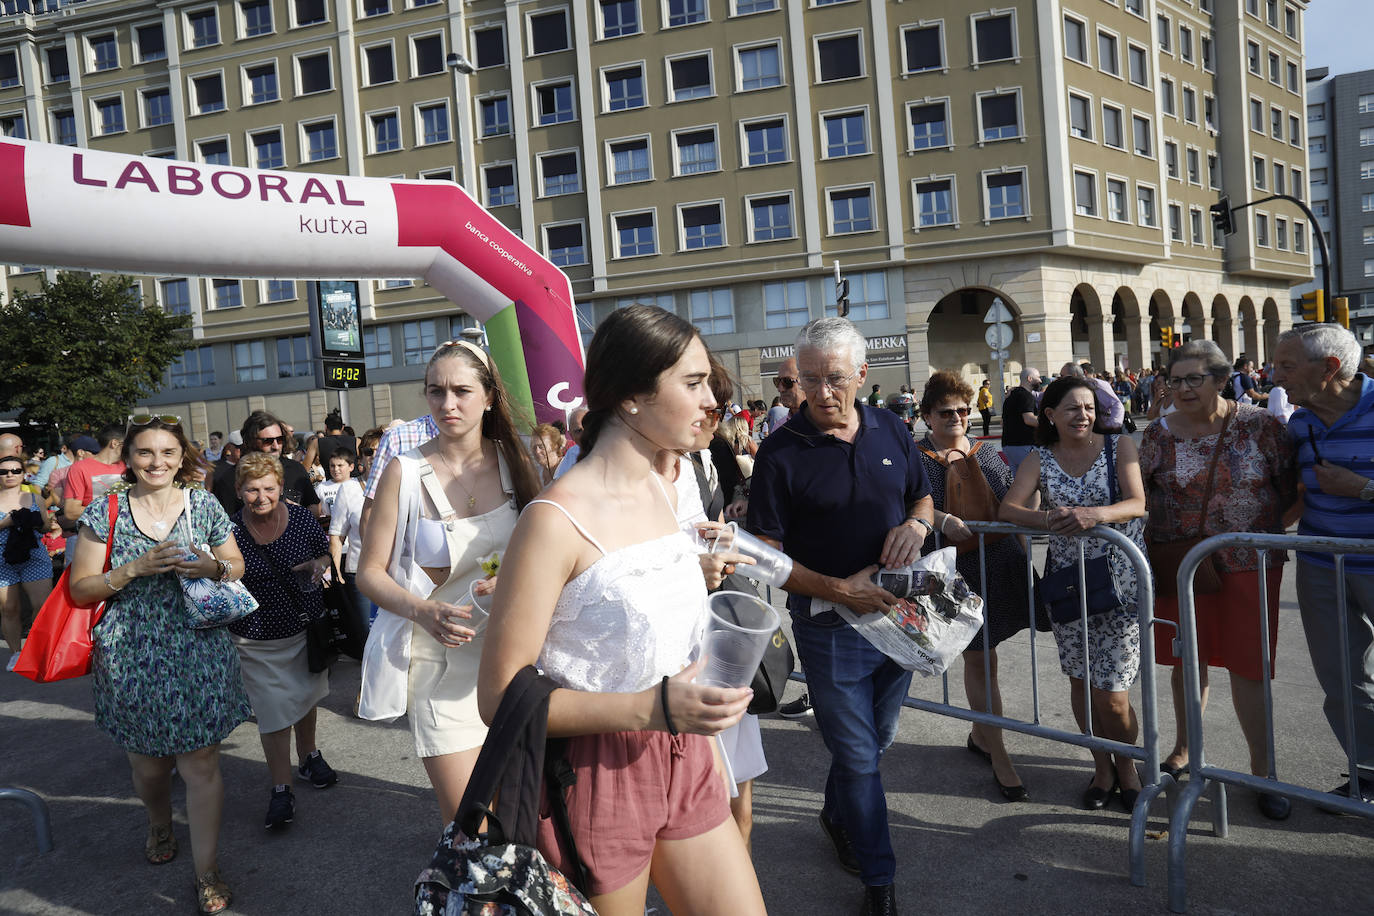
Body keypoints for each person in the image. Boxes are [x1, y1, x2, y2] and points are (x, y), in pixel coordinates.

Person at [479, 305, 765, 916]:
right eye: (692, 383)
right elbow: (498, 697)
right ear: (633, 398)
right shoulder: (555, 521)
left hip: (687, 752)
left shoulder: (670, 486)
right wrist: (653, 706)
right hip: (594, 770)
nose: (712, 398)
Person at [748, 316, 933, 916]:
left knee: (875, 742)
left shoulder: (892, 428)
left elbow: (921, 495)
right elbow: (768, 556)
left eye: (833, 379)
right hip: (828, 624)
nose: (821, 393)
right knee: (857, 755)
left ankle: (837, 813)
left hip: (897, 616)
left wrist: (918, 524)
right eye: (808, 379)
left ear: (862, 374)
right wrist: (836, 589)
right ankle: (880, 881)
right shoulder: (779, 452)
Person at [68, 416, 248, 915]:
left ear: (181, 456)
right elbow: (80, 589)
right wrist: (134, 569)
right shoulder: (105, 511)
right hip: (131, 652)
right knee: (149, 768)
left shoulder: (204, 502)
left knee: (201, 763)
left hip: (199, 647)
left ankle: (206, 871)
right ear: (128, 457)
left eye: (167, 452)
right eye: (146, 453)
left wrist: (211, 565)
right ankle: (158, 820)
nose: (157, 462)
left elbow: (236, 565)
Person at [357, 340, 540, 821]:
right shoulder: (405, 470)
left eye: (461, 390)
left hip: (513, 660)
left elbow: (548, 552)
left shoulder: (517, 463)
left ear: (490, 397)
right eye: (436, 391)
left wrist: (518, 582)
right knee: (470, 821)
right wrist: (423, 610)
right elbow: (369, 573)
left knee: (520, 815)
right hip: (438, 668)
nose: (447, 404)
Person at [1139, 340, 1298, 820]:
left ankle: (1262, 771)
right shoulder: (1157, 435)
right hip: (1181, 568)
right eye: (1175, 379)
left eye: (1195, 379)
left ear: (1222, 379)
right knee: (1189, 660)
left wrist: (1263, 536)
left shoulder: (1261, 427)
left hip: (1250, 569)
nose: (1182, 389)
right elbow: (1141, 495)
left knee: (1251, 669)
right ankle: (1186, 749)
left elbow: (1293, 491)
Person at [999, 376, 1148, 813]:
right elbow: (1008, 509)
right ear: (1050, 415)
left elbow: (1138, 502)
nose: (1083, 415)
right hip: (1068, 585)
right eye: (1072, 409)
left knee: (1114, 695)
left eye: (1089, 407)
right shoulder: (1039, 458)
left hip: (1119, 584)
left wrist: (1093, 515)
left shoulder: (1118, 446)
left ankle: (1129, 769)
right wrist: (1047, 519)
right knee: (1081, 684)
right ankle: (1101, 767)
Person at [915, 372, 1044, 802]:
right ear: (927, 415)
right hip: (950, 576)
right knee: (980, 660)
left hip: (999, 567)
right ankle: (1000, 753)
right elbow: (906, 508)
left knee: (984, 659)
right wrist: (940, 520)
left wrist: (1028, 564)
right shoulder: (915, 458)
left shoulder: (985, 453)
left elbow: (1013, 508)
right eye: (946, 411)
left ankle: (981, 734)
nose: (957, 417)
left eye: (963, 410)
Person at [1272, 324, 1374, 803]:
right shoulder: (1300, 424)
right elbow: (1290, 493)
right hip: (1320, 566)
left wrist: (1363, 489)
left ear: (1329, 368)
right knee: (1341, 678)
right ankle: (1367, 776)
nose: (1276, 375)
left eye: (1288, 366)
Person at [229, 452, 338, 831]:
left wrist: (319, 564)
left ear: (280, 486)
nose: (261, 497)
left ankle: (308, 756)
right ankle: (281, 788)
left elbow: (324, 551)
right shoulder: (229, 530)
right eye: (252, 489)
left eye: (268, 488)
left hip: (304, 626)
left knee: (305, 696)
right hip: (254, 636)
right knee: (274, 710)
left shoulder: (301, 517)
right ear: (239, 490)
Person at [210, 412, 322, 518]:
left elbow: (315, 507)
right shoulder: (230, 478)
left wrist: (298, 513)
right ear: (250, 441)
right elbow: (224, 524)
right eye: (267, 441)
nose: (276, 446)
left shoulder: (295, 469)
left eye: (280, 440)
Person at [1, 453, 54, 665]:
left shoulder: (35, 497)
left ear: (24, 474)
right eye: (3, 472)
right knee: (9, 608)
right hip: (2, 559)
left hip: (34, 555)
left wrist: (41, 522)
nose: (10, 475)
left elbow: (45, 526)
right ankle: (16, 653)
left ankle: (33, 646)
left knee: (42, 606)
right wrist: (7, 522)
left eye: (15, 470)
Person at [62, 424, 126, 535]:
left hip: (126, 538)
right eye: (130, 443)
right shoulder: (80, 468)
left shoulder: (132, 467)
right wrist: (116, 510)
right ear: (115, 443)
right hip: (94, 537)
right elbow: (71, 511)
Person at [1001, 368, 1042, 476]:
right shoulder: (1026, 396)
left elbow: (1003, 422)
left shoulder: (1010, 397)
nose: (1040, 381)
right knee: (1032, 482)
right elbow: (1028, 419)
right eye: (1038, 377)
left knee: (1018, 483)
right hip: (1024, 445)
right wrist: (1050, 423)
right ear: (1030, 378)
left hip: (1008, 445)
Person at [314, 448, 353, 523]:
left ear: (351, 467)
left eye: (340, 465)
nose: (336, 469)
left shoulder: (358, 485)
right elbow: (317, 514)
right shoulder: (321, 488)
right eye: (332, 465)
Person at [766, 356, 800, 435]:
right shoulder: (779, 427)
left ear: (807, 382)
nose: (780, 389)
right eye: (777, 381)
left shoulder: (826, 422)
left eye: (787, 381)